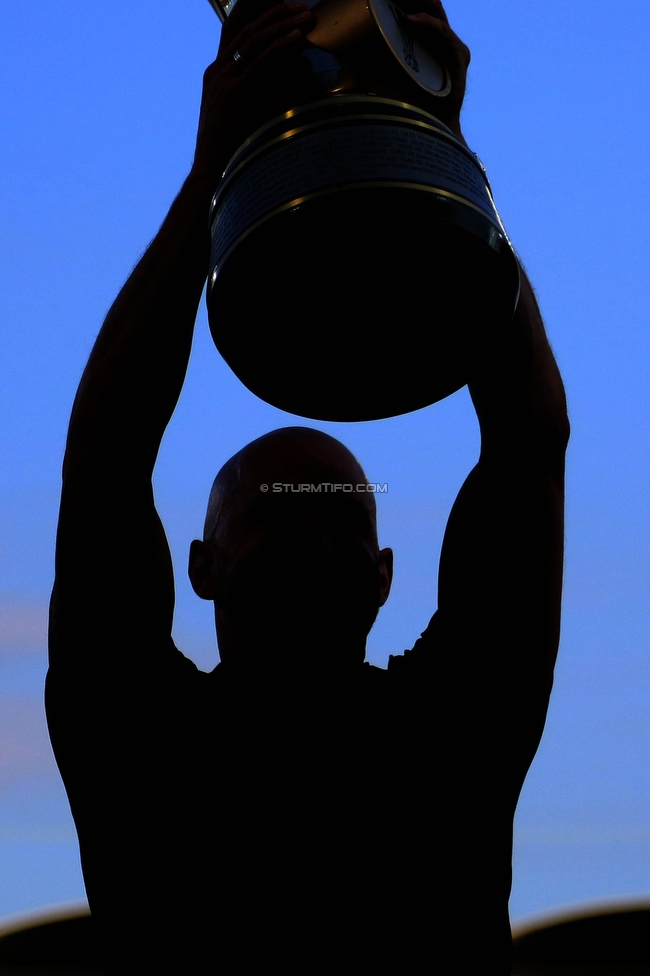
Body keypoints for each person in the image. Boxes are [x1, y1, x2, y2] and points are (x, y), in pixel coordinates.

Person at [46, 1, 569, 972]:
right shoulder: (138, 738)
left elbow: (528, 444)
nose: (301, 512)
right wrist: (213, 175)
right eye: (271, 505)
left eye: (329, 514)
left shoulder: (449, 728)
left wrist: (431, 146)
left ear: (379, 576)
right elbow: (105, 461)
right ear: (198, 565)